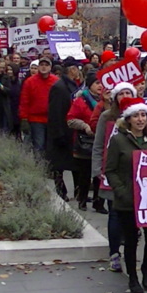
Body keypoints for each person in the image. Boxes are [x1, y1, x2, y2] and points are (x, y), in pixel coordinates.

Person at [105, 97, 147, 293]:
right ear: (128, 118)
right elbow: (110, 170)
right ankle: (133, 277)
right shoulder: (118, 140)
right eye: (136, 115)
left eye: (143, 115)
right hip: (128, 200)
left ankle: (146, 267)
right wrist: (122, 192)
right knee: (131, 240)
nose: (140, 119)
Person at [92, 82, 136, 273]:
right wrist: (97, 170)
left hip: (134, 175)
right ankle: (114, 253)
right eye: (121, 93)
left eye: (128, 92)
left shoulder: (140, 116)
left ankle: (129, 250)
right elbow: (99, 144)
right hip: (112, 173)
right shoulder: (107, 116)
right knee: (115, 213)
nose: (125, 96)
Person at [67, 70, 106, 212]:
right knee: (85, 174)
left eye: (101, 83)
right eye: (97, 83)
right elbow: (70, 119)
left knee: (99, 175)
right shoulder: (80, 100)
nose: (100, 86)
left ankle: (98, 202)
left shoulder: (107, 101)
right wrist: (85, 126)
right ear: (89, 85)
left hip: (101, 142)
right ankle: (82, 199)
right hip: (85, 142)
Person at [49, 57, 83, 199]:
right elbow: (55, 112)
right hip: (62, 131)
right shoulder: (59, 87)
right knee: (59, 165)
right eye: (77, 69)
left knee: (75, 164)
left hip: (71, 131)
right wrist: (58, 133)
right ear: (72, 70)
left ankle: (78, 192)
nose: (79, 72)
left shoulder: (73, 85)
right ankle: (61, 191)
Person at [19, 57, 58, 153]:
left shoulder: (56, 81)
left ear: (50, 67)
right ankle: (39, 162)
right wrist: (24, 118)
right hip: (35, 119)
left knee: (50, 145)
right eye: (42, 65)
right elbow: (24, 101)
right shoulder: (29, 82)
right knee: (39, 145)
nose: (44, 67)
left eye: (46, 65)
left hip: (51, 119)